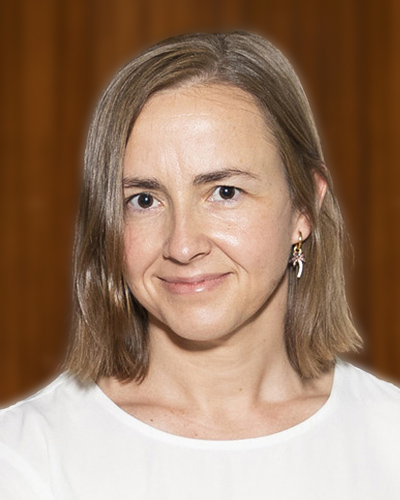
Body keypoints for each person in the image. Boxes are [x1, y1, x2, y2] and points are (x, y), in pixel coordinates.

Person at [0, 31, 399, 500]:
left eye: (225, 192)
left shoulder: (387, 439)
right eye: (143, 200)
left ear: (304, 208)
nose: (183, 246)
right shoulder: (25, 458)